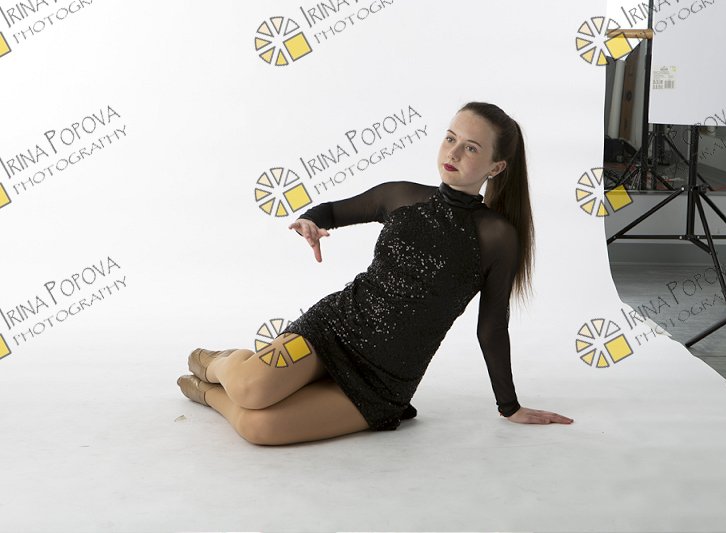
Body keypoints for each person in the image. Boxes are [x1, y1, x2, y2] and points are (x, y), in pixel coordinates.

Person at [177, 101, 574, 445]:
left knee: (258, 427)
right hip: (330, 330)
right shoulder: (401, 195)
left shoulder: (496, 236)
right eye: (450, 138)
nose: (453, 152)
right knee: (250, 389)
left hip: (384, 380)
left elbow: (492, 326)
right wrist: (310, 221)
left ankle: (207, 394)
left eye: (471, 147)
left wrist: (509, 406)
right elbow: (332, 211)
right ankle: (218, 362)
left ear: (496, 166)